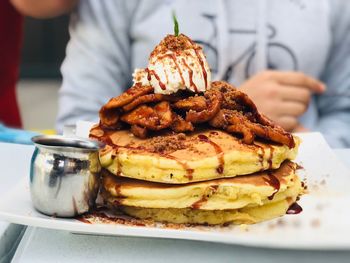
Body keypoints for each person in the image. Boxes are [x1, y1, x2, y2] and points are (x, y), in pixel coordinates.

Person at [57, 0, 350, 148]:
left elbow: (344, 112)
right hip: (146, 211)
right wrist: (236, 114)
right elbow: (79, 123)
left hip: (301, 207)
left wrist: (312, 150)